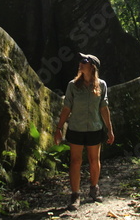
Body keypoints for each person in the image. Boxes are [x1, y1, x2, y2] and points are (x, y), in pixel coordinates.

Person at [54, 53, 115, 210]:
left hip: (95, 128)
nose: (80, 63)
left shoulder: (101, 85)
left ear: (92, 66)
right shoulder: (72, 85)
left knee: (94, 160)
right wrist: (59, 128)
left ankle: (94, 189)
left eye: (84, 61)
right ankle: (75, 195)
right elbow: (67, 107)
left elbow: (104, 107)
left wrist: (110, 130)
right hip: (76, 128)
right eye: (80, 61)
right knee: (75, 161)